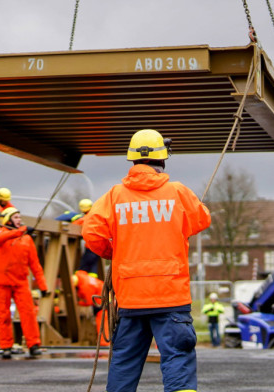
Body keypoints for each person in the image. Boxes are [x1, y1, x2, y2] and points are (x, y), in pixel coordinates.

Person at [83, 129, 211, 392]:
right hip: (171, 295)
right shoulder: (177, 192)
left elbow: (91, 233)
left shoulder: (114, 196)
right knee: (178, 358)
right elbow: (202, 219)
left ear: (132, 160)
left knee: (125, 361)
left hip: (131, 296)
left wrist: (116, 252)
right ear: (162, 159)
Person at [0, 207, 50, 359]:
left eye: (19, 217)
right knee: (3, 316)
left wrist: (43, 286)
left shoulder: (26, 239)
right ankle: (6, 346)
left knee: (28, 314)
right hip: (1, 282)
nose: (19, 220)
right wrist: (22, 230)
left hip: (20, 282)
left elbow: (35, 264)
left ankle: (33, 344)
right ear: (8, 220)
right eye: (16, 217)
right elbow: (1, 238)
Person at [72, 270, 109, 346]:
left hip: (103, 301)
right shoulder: (83, 277)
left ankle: (104, 343)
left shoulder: (85, 286)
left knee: (102, 321)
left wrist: (79, 303)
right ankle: (105, 342)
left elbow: (88, 301)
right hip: (104, 296)